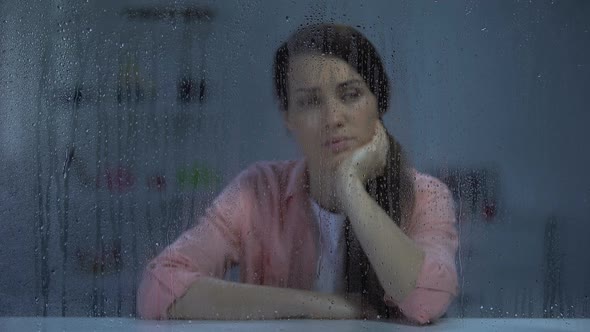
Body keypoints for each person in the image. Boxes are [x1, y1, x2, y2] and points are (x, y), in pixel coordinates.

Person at [137, 23, 458, 325]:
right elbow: (159, 288)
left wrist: (350, 187)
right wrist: (319, 305)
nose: (333, 117)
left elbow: (425, 301)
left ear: (379, 102)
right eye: (309, 102)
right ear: (288, 116)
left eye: (350, 95)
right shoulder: (258, 190)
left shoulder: (425, 195)